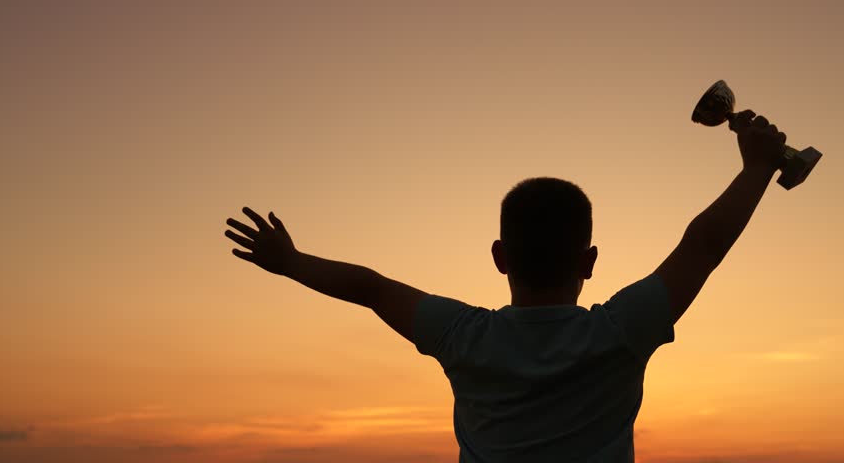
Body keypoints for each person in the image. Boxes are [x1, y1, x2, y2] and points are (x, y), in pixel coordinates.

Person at [224, 109, 787, 462]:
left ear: (499, 257)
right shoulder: (621, 330)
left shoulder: (462, 335)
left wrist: (291, 262)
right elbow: (703, 246)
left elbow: (371, 287)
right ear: (589, 261)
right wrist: (757, 168)